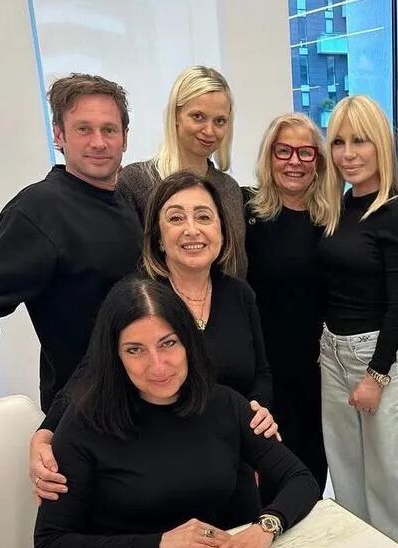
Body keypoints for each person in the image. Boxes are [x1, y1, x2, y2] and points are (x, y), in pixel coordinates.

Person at [0, 73, 140, 457]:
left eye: (109, 130)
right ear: (59, 135)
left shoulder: (127, 202)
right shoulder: (39, 210)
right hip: (85, 420)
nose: (99, 142)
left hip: (140, 406)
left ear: (125, 137)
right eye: (83, 129)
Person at [30, 172, 276, 527]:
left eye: (203, 217)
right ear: (158, 237)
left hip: (230, 471)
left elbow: (261, 373)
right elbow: (91, 372)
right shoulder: (136, 297)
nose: (192, 230)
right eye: (176, 218)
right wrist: (46, 432)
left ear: (223, 230)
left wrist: (259, 415)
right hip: (153, 482)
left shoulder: (239, 294)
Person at [34, 277, 318, 548]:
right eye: (135, 350)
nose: (157, 366)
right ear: (115, 356)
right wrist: (159, 544)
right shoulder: (84, 423)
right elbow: (50, 546)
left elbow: (301, 480)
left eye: (168, 343)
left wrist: (266, 527)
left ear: (187, 343)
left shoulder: (225, 404)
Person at [315, 95, 398, 548]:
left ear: (381, 147)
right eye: (339, 142)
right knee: (346, 471)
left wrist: (376, 374)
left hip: (373, 355)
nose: (348, 154)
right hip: (331, 350)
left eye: (360, 141)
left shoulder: (392, 212)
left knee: (393, 475)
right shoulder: (339, 206)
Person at [244, 113, 332, 494]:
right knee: (266, 485)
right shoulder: (246, 215)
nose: (294, 161)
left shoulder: (330, 220)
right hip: (263, 374)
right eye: (284, 151)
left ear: (318, 161)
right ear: (270, 156)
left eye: (305, 152)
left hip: (318, 376)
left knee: (310, 480)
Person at [118, 65, 247, 277]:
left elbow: (237, 268)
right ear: (176, 116)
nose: (209, 131)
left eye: (220, 121)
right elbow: (130, 268)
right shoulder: (136, 182)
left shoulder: (229, 189)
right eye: (198, 116)